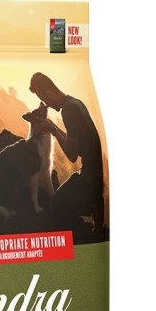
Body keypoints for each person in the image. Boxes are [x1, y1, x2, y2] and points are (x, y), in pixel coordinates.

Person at [29, 72, 104, 235]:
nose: (47, 105)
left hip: (88, 179)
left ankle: (78, 238)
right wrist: (53, 128)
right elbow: (76, 144)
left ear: (48, 93)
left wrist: (53, 130)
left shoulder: (68, 111)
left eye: (44, 99)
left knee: (56, 206)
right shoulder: (75, 103)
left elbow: (72, 155)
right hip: (95, 176)